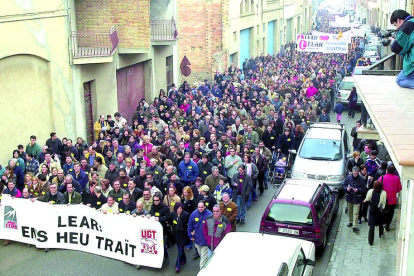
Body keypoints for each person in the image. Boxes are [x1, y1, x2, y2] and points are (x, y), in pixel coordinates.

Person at [390, 10, 414, 89]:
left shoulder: (407, 26)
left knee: (400, 80)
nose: (397, 28)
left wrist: (393, 41)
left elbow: (397, 48)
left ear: (398, 20)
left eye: (395, 25)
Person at [187, 201, 212, 269]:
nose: (200, 209)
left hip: (205, 242)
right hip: (197, 241)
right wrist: (190, 235)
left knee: (202, 262)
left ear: (205, 207)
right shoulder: (194, 214)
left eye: (201, 207)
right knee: (202, 256)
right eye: (199, 207)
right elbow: (190, 225)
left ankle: (202, 271)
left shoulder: (209, 215)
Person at [149, 192, 171, 266]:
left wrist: (159, 218)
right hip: (153, 229)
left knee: (163, 245)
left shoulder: (165, 208)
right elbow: (151, 213)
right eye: (154, 200)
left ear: (160, 200)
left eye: (157, 200)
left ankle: (166, 257)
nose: (155, 202)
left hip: (162, 229)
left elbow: (168, 217)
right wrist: (149, 215)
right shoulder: (153, 206)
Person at [342, 166, 367, 233]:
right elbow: (343, 185)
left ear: (358, 172)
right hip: (349, 197)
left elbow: (364, 189)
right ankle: (350, 221)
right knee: (350, 211)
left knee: (356, 212)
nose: (354, 174)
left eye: (356, 173)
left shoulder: (361, 179)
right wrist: (346, 189)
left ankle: (355, 226)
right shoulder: (348, 178)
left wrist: (358, 190)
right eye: (353, 173)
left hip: (357, 198)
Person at [364, 180, 387, 245]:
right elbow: (384, 202)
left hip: (372, 210)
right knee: (380, 223)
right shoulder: (384, 193)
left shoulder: (371, 191)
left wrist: (364, 201)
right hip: (379, 211)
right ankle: (381, 233)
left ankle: (370, 241)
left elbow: (367, 199)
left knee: (372, 226)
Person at [380, 165, 402, 231]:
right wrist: (394, 192)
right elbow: (399, 188)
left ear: (387, 170)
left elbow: (378, 186)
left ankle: (383, 222)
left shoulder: (382, 177)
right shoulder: (397, 178)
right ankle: (387, 224)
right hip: (392, 199)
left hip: (384, 198)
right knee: (391, 212)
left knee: (383, 211)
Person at [171, 202, 190, 273]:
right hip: (176, 235)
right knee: (180, 249)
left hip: (183, 235)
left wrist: (179, 217)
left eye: (180, 208)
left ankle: (177, 266)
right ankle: (184, 259)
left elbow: (186, 225)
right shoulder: (173, 214)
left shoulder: (186, 215)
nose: (179, 210)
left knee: (180, 249)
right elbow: (171, 222)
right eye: (178, 209)